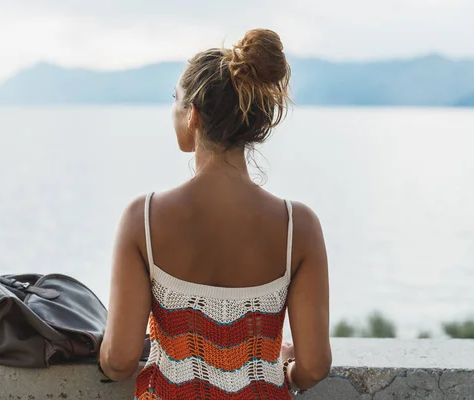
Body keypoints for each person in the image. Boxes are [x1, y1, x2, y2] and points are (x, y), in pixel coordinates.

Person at [98, 28, 331, 399]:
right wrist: (289, 371)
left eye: (175, 101)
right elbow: (315, 365)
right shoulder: (297, 226)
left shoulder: (143, 218)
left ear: (192, 115)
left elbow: (120, 361)